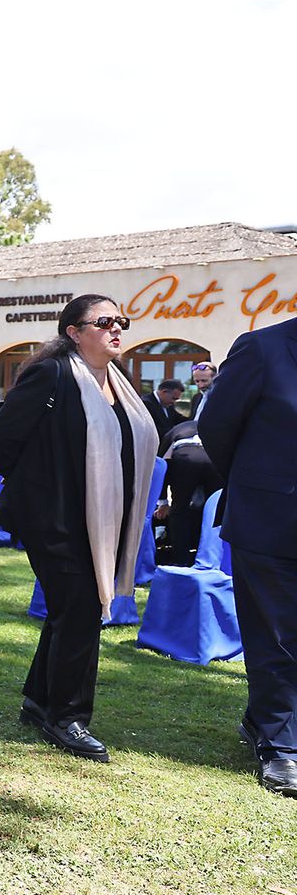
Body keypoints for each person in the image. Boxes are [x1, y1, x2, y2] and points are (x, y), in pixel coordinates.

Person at [0, 295, 153, 764]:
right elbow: (0, 438)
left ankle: (40, 701)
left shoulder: (117, 384)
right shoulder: (54, 373)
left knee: (68, 609)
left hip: (101, 516)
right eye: (103, 322)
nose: (116, 328)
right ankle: (68, 717)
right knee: (80, 608)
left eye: (121, 320)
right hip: (55, 516)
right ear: (74, 332)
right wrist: (41, 483)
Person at [197, 316, 297, 798]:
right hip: (269, 518)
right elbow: (216, 425)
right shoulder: (262, 348)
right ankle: (282, 748)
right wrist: (257, 482)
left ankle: (263, 719)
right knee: (277, 635)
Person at [156, 420, 222, 566]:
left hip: (185, 457)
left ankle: (180, 560)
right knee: (214, 511)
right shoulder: (212, 426)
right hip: (213, 457)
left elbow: (161, 466)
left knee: (179, 510)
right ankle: (211, 558)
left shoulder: (176, 429)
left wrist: (163, 502)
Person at [141, 378, 185, 446]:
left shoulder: (167, 404)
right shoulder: (146, 404)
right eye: (173, 398)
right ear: (164, 392)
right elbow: (153, 430)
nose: (174, 402)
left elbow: (178, 419)